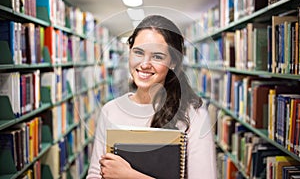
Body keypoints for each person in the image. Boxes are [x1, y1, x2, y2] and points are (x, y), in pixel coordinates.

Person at [87, 15, 216, 179]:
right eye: (138, 53)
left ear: (173, 63)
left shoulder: (194, 115)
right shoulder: (110, 111)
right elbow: (94, 175)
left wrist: (130, 176)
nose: (145, 64)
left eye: (157, 56)